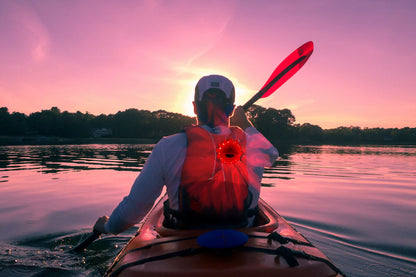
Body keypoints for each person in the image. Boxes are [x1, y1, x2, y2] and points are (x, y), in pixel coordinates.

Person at [94, 75, 278, 234]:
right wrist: (245, 122)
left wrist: (108, 227)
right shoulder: (254, 145)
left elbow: (134, 209)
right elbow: (272, 155)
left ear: (194, 107)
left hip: (183, 238)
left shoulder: (168, 145)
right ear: (231, 109)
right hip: (244, 237)